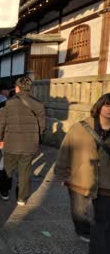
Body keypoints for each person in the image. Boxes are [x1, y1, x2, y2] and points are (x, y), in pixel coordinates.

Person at [55, 93, 110, 251]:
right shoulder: (79, 128)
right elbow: (65, 151)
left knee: (103, 222)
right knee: (79, 212)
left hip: (107, 184)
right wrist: (61, 173)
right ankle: (83, 230)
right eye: (106, 105)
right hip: (80, 179)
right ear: (99, 106)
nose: (109, 109)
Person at [0, 77, 45, 205]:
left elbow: (1, 122)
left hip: (11, 142)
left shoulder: (8, 103)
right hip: (29, 143)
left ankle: (4, 192)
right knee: (25, 171)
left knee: (8, 169)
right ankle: (22, 198)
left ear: (17, 88)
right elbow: (42, 126)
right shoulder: (38, 104)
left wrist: (0, 138)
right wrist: (37, 139)